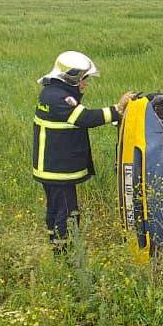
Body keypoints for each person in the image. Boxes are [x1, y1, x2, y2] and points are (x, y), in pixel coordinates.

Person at [32, 51, 134, 253]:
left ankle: (57, 248)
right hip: (57, 170)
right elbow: (84, 118)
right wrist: (118, 109)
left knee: (55, 210)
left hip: (51, 168)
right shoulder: (59, 98)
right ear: (72, 77)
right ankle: (65, 255)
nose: (85, 84)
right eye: (83, 80)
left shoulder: (51, 92)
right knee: (67, 213)